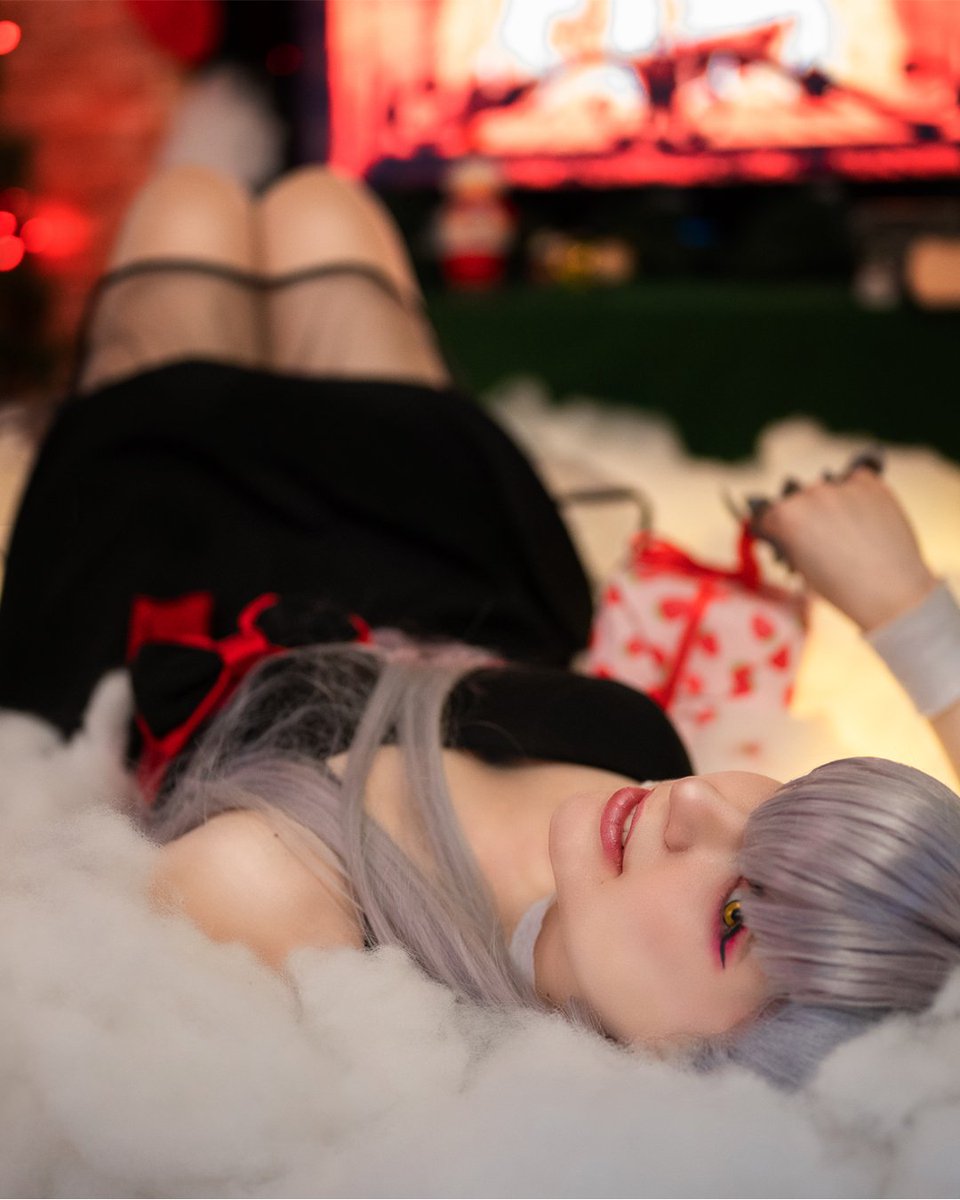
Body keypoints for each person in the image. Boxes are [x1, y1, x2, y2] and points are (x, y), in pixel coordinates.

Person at [1, 165, 959, 1088]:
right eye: (785, 811)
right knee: (321, 200)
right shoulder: (631, 855)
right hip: (438, 530)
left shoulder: (291, 925)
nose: (703, 805)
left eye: (737, 914)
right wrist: (903, 605)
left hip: (168, 539)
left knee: (190, 199)